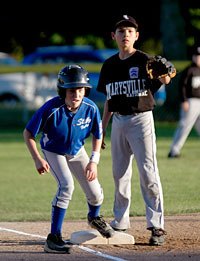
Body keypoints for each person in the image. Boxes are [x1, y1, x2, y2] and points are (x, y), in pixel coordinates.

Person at [97, 14, 174, 246]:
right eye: (121, 31)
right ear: (114, 36)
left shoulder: (145, 60)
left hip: (142, 120)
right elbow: (109, 101)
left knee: (148, 172)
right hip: (119, 121)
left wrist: (167, 73)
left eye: (130, 31)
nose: (125, 35)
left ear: (137, 36)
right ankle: (120, 221)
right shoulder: (109, 65)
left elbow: (166, 78)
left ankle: (157, 225)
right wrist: (102, 128)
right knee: (119, 174)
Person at [23, 64, 114, 254]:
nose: (76, 94)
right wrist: (37, 159)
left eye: (80, 89)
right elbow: (28, 133)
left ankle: (94, 217)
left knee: (96, 193)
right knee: (66, 186)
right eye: (71, 90)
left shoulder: (90, 108)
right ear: (63, 90)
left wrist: (93, 161)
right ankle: (53, 237)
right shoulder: (51, 108)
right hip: (53, 151)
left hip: (77, 150)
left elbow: (98, 134)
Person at [168, 46, 200, 158]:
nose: (198, 58)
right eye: (196, 56)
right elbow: (182, 87)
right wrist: (184, 100)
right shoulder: (189, 70)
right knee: (184, 126)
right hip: (190, 102)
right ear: (193, 57)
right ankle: (174, 150)